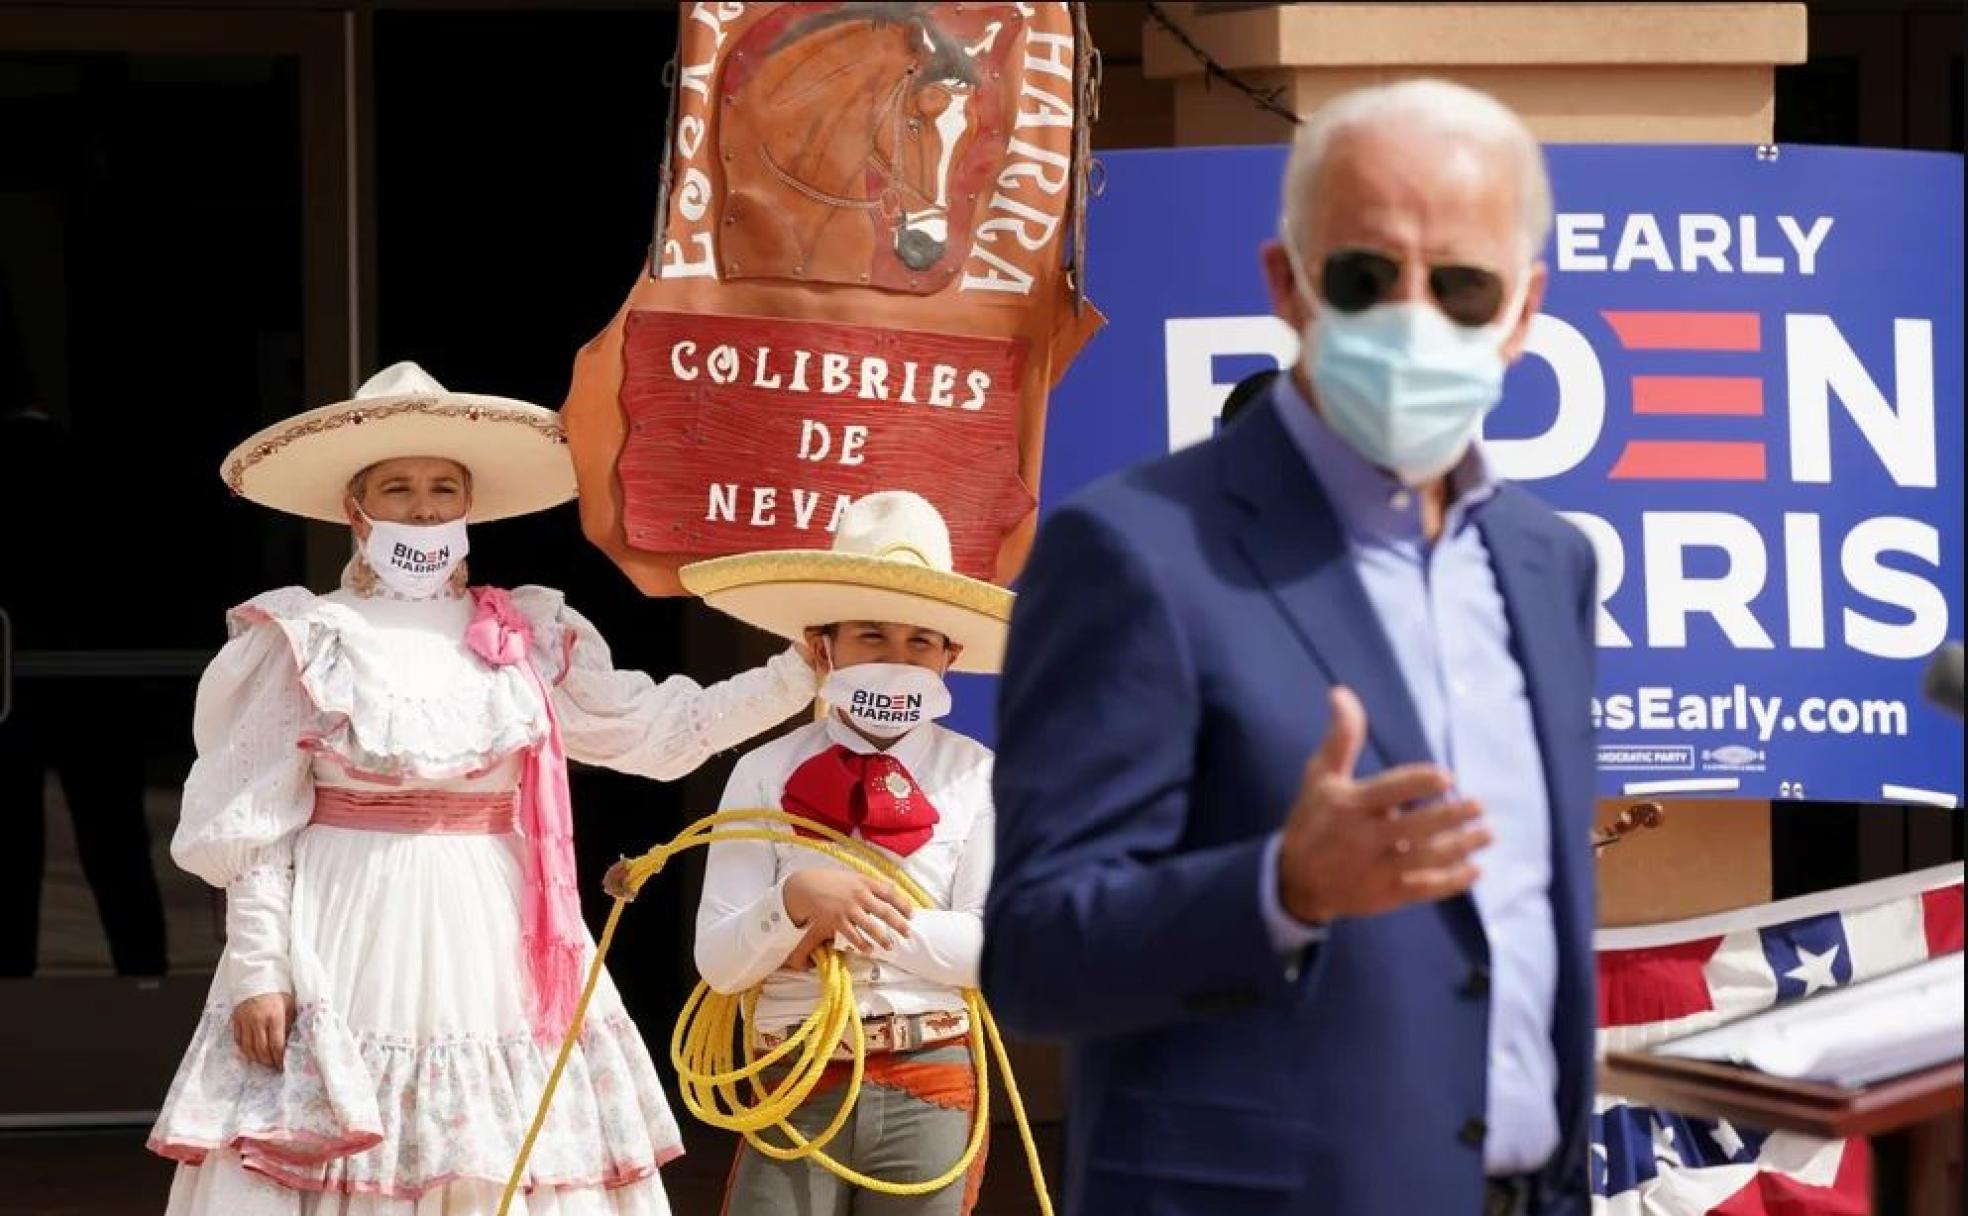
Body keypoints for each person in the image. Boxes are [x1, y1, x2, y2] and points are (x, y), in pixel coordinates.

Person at [983, 80, 1600, 1216]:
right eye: (1368, 277)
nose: (1415, 317)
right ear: (1289, 285)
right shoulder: (1133, 553)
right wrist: (1281, 887)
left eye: (1462, 285)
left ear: (1522, 312)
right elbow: (1033, 959)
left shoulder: (1547, 565)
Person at [148, 362, 822, 1215]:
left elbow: (658, 732)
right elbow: (257, 826)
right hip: (346, 928)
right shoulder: (307, 636)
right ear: (357, 508)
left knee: (501, 1164)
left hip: (496, 931)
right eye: (398, 488)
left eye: (443, 488)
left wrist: (796, 675)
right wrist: (257, 970)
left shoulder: (527, 633)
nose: (424, 508)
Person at [681, 491, 1008, 1216]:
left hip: (930, 1071)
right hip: (796, 1067)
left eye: (920, 641)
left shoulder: (979, 776)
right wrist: (796, 903)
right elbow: (719, 959)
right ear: (821, 646)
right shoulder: (762, 772)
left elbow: (996, 948)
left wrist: (847, 914)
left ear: (950, 654)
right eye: (871, 636)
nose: (897, 659)